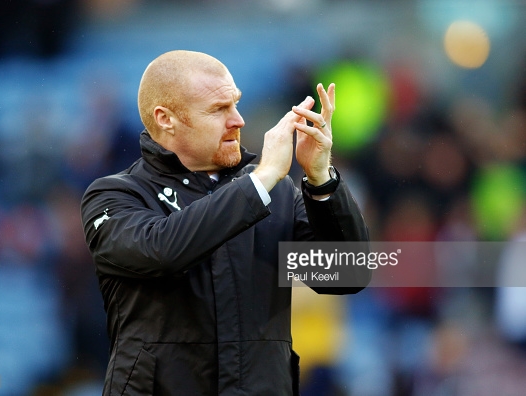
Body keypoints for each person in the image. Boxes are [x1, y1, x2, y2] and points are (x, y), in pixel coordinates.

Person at [81, 50, 370, 396]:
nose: (238, 120)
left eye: (235, 104)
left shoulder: (275, 194)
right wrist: (260, 181)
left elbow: (345, 274)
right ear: (166, 119)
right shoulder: (113, 196)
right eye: (219, 109)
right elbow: (161, 251)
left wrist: (321, 181)